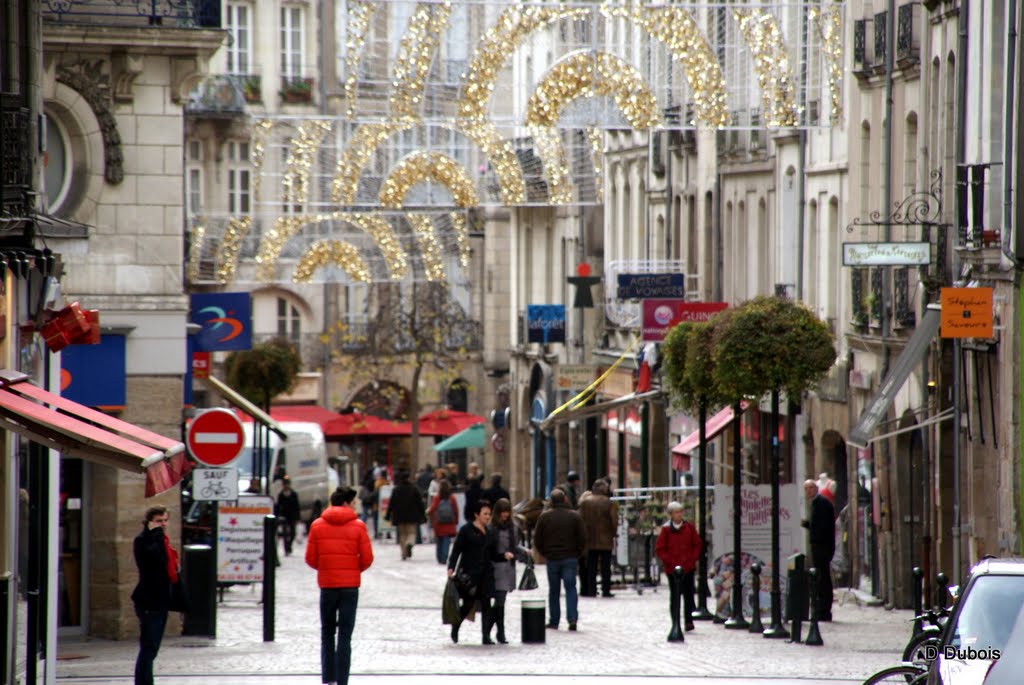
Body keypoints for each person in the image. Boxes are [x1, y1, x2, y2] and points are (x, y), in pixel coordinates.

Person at [306, 487, 374, 685]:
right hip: (350, 588)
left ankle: (328, 677)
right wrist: (353, 570)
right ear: (345, 503)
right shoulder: (358, 526)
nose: (354, 505)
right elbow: (367, 558)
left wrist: (326, 568)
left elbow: (310, 558)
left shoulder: (317, 525)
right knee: (345, 634)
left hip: (327, 586)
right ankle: (343, 679)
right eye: (353, 502)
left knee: (327, 632)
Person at [447, 499, 508, 644]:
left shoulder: (490, 532)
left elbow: (492, 554)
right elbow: (457, 550)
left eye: (489, 514)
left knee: (487, 605)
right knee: (468, 604)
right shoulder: (466, 530)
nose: (488, 516)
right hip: (469, 575)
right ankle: (456, 626)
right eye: (485, 514)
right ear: (476, 515)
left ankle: (486, 636)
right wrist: (451, 567)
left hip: (486, 574)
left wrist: (503, 556)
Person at [131, 506, 177, 685]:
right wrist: (154, 535)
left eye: (165, 520)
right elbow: (152, 560)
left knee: (152, 647)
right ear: (149, 522)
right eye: (159, 521)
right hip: (149, 600)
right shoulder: (143, 540)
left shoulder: (162, 541)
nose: (163, 524)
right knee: (148, 647)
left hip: (161, 599)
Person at [533, 488, 586, 631]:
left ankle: (554, 620)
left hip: (553, 558)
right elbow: (582, 538)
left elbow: (537, 539)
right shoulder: (574, 516)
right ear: (565, 500)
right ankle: (572, 618)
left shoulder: (545, 517)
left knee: (554, 591)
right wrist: (577, 554)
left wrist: (545, 553)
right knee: (571, 589)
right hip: (570, 558)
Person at [655, 500, 702, 632]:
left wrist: (692, 559)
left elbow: (697, 544)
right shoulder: (666, 530)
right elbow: (660, 549)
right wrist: (670, 561)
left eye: (681, 511)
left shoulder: (689, 528)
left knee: (688, 595)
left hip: (688, 567)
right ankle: (675, 622)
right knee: (675, 595)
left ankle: (688, 620)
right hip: (672, 570)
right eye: (676, 512)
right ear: (671, 514)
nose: (679, 514)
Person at [577, 479, 619, 598]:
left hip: (590, 539)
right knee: (606, 567)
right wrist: (613, 534)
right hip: (605, 540)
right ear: (602, 489)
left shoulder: (585, 502)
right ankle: (606, 590)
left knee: (591, 566)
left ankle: (591, 589)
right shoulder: (609, 503)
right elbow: (614, 521)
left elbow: (580, 519)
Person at [802, 479, 836, 622]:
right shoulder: (817, 503)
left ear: (816, 488)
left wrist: (813, 533)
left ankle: (824, 611)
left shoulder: (821, 503)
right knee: (821, 578)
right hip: (821, 545)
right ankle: (822, 610)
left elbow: (823, 527)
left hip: (822, 547)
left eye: (811, 488)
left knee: (823, 578)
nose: (809, 491)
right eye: (806, 489)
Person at [488, 498, 520, 644]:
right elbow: (489, 550)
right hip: (496, 568)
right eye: (502, 512)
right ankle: (498, 633)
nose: (505, 515)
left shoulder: (513, 527)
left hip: (508, 569)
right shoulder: (491, 528)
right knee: (500, 601)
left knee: (501, 601)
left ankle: (491, 631)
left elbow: (516, 546)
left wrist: (526, 553)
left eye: (507, 512)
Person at [386, 470, 426, 560]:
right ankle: (409, 544)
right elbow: (420, 503)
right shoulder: (414, 489)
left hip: (399, 516)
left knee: (402, 535)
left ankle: (403, 553)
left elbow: (391, 503)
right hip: (412, 516)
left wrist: (388, 515)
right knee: (412, 533)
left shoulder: (396, 489)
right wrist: (423, 515)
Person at [428, 478, 459, 564]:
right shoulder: (452, 498)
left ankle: (439, 557)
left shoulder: (437, 497)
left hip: (439, 523)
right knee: (446, 541)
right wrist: (456, 521)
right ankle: (444, 557)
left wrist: (428, 512)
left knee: (439, 541)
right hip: (449, 523)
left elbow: (433, 508)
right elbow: (456, 510)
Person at [276, 475, 301, 556]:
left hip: (292, 516)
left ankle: (289, 546)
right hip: (284, 517)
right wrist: (278, 515)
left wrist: (298, 517)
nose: (286, 486)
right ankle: (286, 549)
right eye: (285, 484)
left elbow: (297, 506)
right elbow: (278, 506)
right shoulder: (281, 495)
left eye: (287, 484)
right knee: (285, 533)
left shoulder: (294, 494)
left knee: (292, 533)